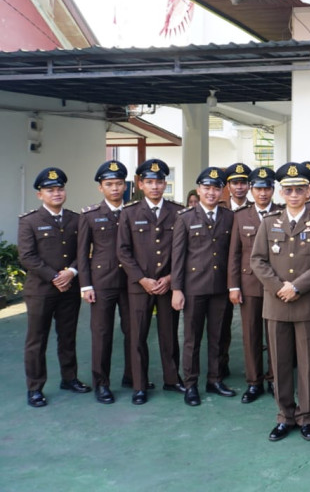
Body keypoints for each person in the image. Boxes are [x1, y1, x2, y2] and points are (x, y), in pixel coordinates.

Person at [251, 162, 310, 442]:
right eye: (288, 190)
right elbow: (257, 260)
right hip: (276, 303)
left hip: (308, 303)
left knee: (309, 363)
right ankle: (285, 416)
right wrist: (278, 288)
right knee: (280, 363)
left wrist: (297, 286)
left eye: (299, 189)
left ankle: (307, 417)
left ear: (309, 191)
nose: (294, 194)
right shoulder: (269, 222)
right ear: (281, 193)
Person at [19, 167, 89, 407]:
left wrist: (71, 272)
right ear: (40, 195)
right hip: (41, 290)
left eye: (60, 189)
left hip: (69, 288)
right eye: (50, 190)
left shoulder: (76, 219)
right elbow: (27, 256)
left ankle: (69, 378)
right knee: (37, 340)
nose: (56, 193)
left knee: (67, 336)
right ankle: (35, 388)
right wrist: (54, 277)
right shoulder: (29, 221)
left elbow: (84, 251)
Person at [117, 159, 184, 405]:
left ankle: (171, 378)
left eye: (159, 182)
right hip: (139, 285)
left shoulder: (178, 212)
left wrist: (170, 278)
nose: (155, 187)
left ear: (165, 184)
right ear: (140, 184)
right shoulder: (129, 213)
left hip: (167, 284)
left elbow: (182, 251)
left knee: (169, 334)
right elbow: (123, 251)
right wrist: (141, 279)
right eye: (149, 182)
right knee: (137, 336)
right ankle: (139, 384)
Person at [171, 167, 235, 406]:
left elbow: (232, 255)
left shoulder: (229, 217)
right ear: (199, 190)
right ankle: (190, 384)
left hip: (219, 287)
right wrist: (177, 289)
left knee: (218, 336)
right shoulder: (185, 218)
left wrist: (232, 286)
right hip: (193, 287)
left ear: (221, 191)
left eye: (216, 188)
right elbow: (178, 256)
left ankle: (215, 379)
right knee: (192, 338)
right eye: (206, 188)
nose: (211, 192)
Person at [78, 160, 131, 404]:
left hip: (131, 282)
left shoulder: (133, 211)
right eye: (109, 184)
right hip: (102, 282)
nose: (115, 188)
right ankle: (102, 383)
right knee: (102, 334)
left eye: (119, 183)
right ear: (101, 188)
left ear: (125, 185)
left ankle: (133, 376)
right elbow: (82, 253)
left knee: (134, 332)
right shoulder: (90, 215)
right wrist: (86, 285)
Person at [228, 166, 278, 403]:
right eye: (258, 188)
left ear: (273, 189)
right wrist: (233, 286)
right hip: (249, 284)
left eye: (267, 188)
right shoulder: (240, 215)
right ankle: (254, 382)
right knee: (251, 335)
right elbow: (234, 254)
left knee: (276, 336)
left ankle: (275, 379)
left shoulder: (282, 212)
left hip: (276, 285)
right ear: (251, 189)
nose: (263, 193)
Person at [220, 162, 252, 380]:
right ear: (228, 186)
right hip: (219, 274)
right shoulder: (219, 206)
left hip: (248, 276)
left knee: (254, 328)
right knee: (221, 326)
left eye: (243, 182)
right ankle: (220, 366)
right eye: (235, 183)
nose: (239, 187)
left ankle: (261, 371)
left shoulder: (255, 208)